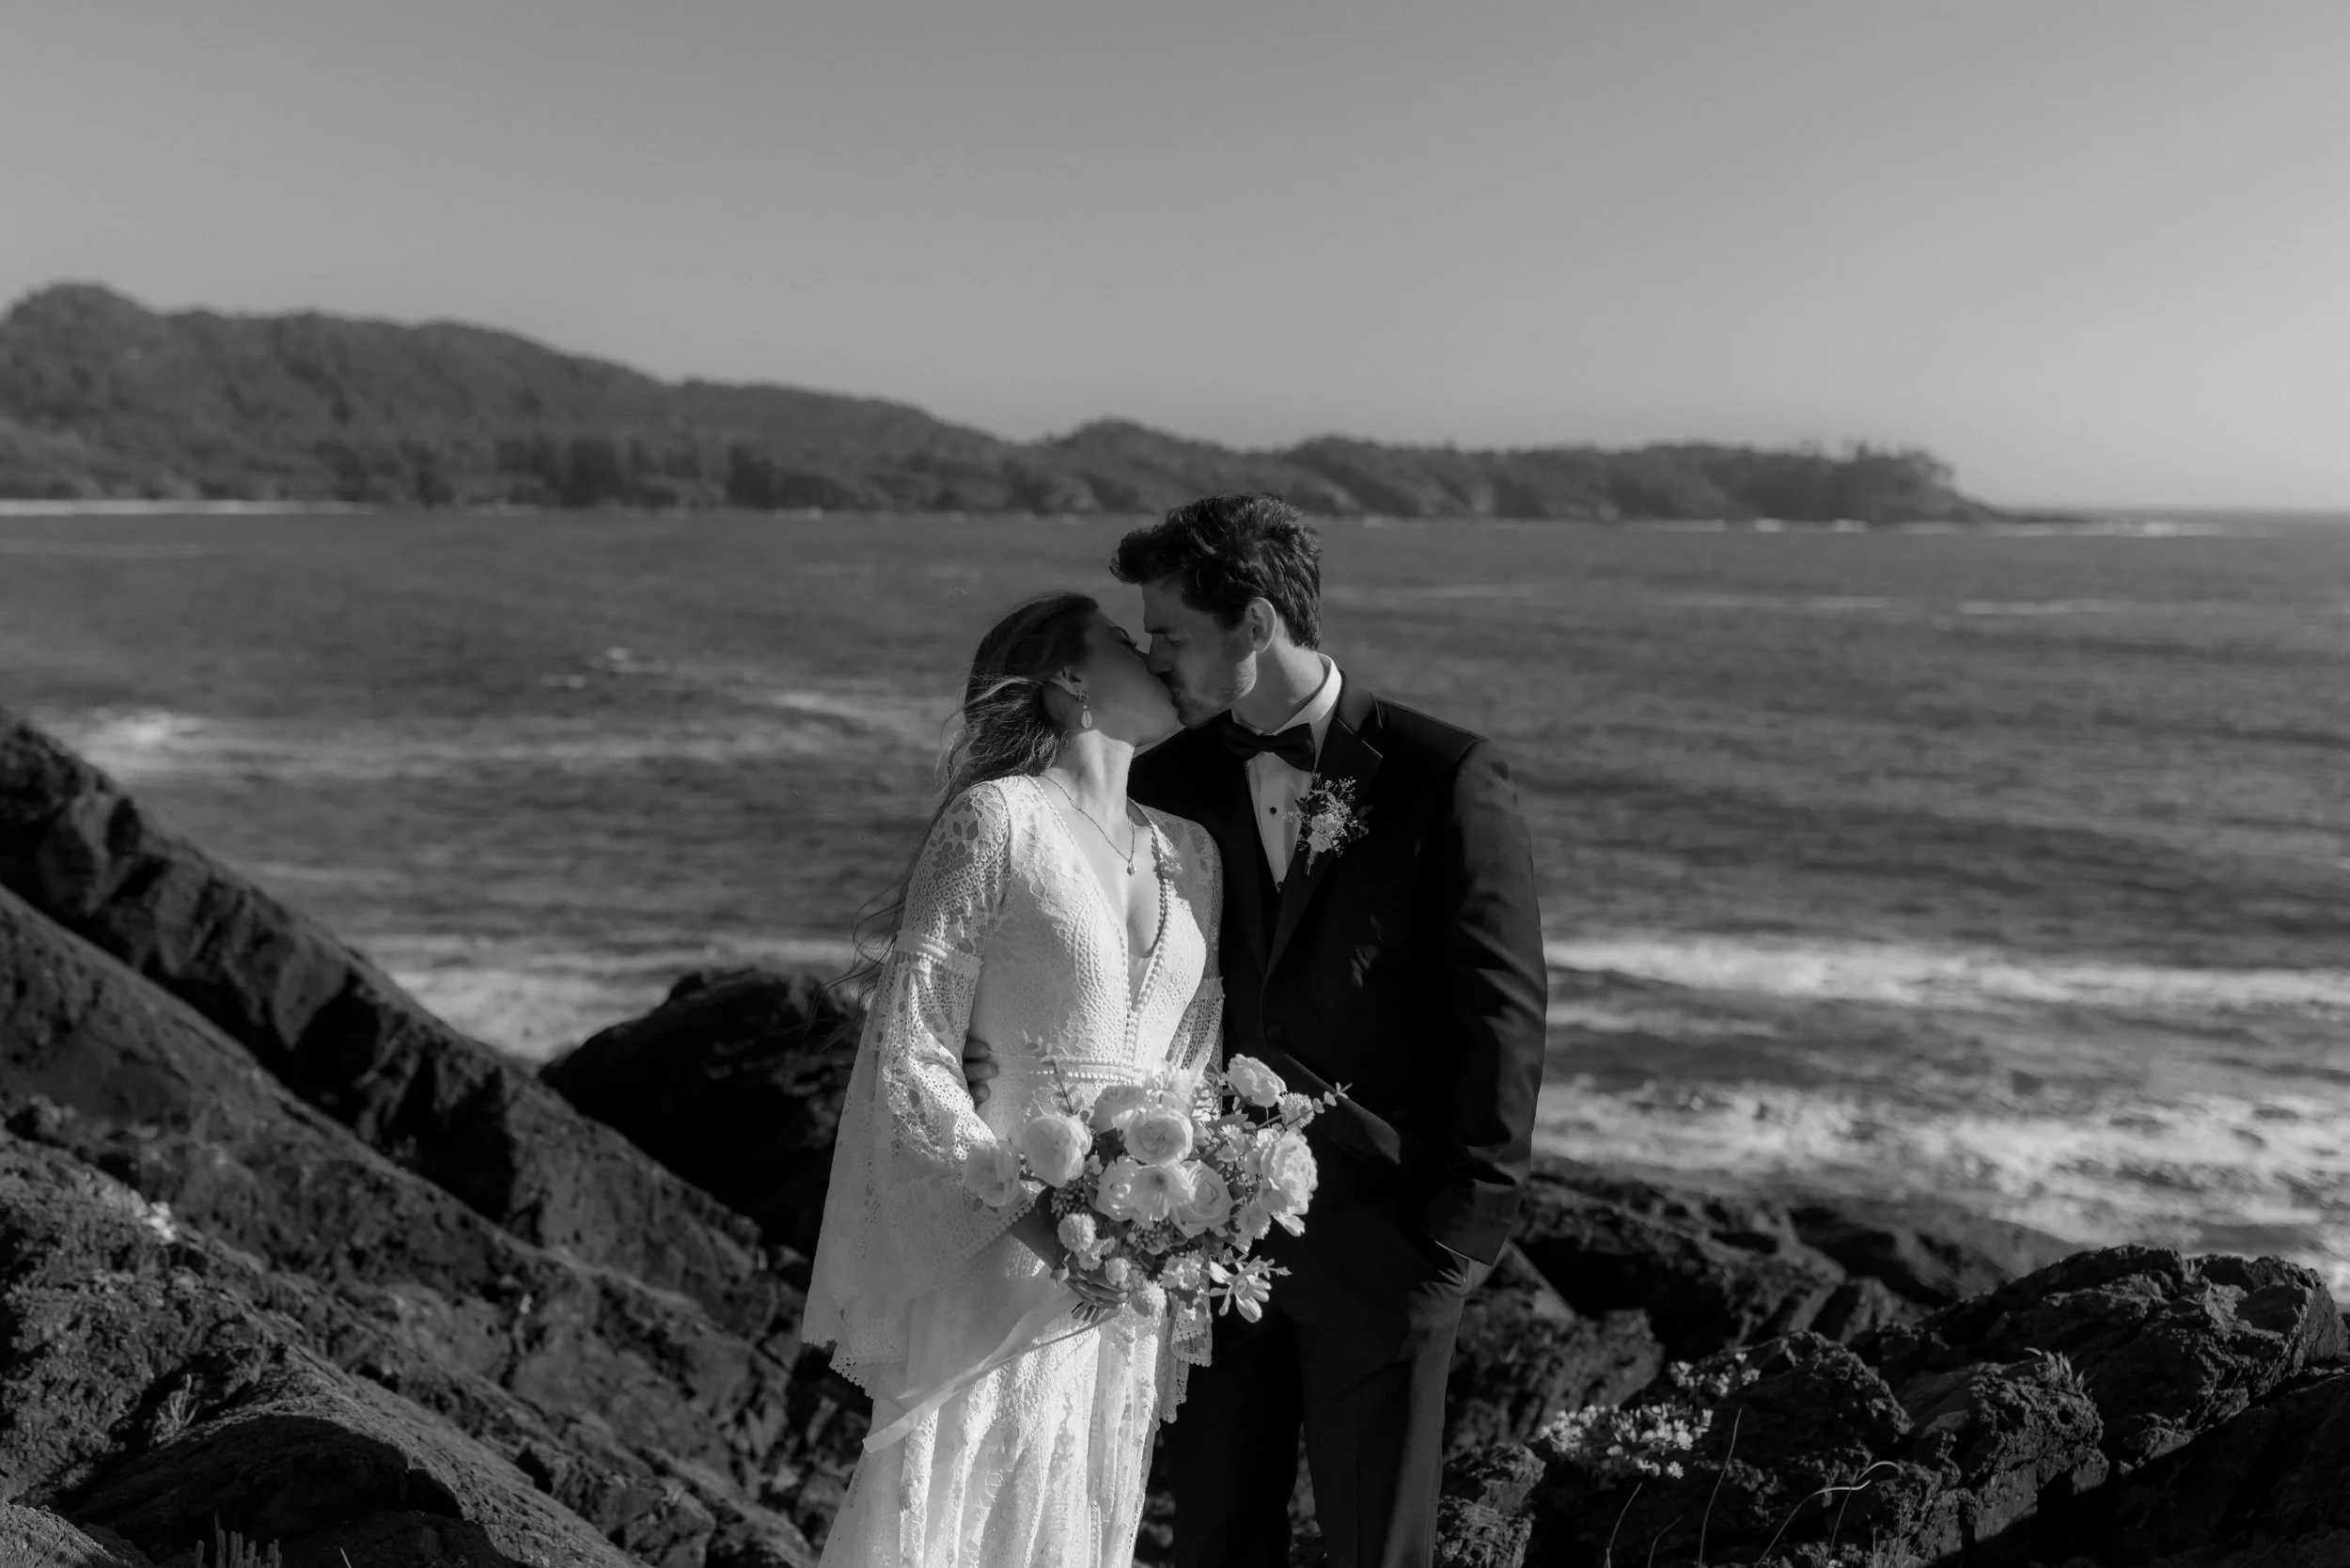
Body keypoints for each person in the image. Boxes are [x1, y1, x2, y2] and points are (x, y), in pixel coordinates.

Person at [967, 494, 1547, 1568]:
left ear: (1259, 620)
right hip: (1196, 1246)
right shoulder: (1171, 780)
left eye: (1174, 634)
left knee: (1379, 1550)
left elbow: (1501, 1013)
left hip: (1386, 1246)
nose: (1156, 656)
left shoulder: (1442, 776)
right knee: (1212, 1544)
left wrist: (1460, 1238)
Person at [805, 590, 1227, 1568]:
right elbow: (910, 1049)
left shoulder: (1189, 850)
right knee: (956, 1510)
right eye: (1125, 641)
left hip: (1128, 1265)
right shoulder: (997, 821)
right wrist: (1029, 1207)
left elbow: (1194, 1060)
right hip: (1001, 1235)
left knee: (1078, 1516)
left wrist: (1173, 1222)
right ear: (1068, 678)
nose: (1154, 655)